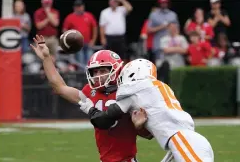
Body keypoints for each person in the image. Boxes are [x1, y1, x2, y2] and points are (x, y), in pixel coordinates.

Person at [30, 35, 152, 162]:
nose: (98, 75)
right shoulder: (91, 92)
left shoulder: (127, 92)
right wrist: (46, 58)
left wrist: (139, 127)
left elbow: (149, 135)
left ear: (116, 69)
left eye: (103, 70)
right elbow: (60, 87)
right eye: (95, 72)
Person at [79, 59, 214, 162]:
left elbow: (102, 120)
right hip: (189, 140)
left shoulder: (134, 89)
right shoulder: (161, 86)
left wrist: (89, 108)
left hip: (182, 141)